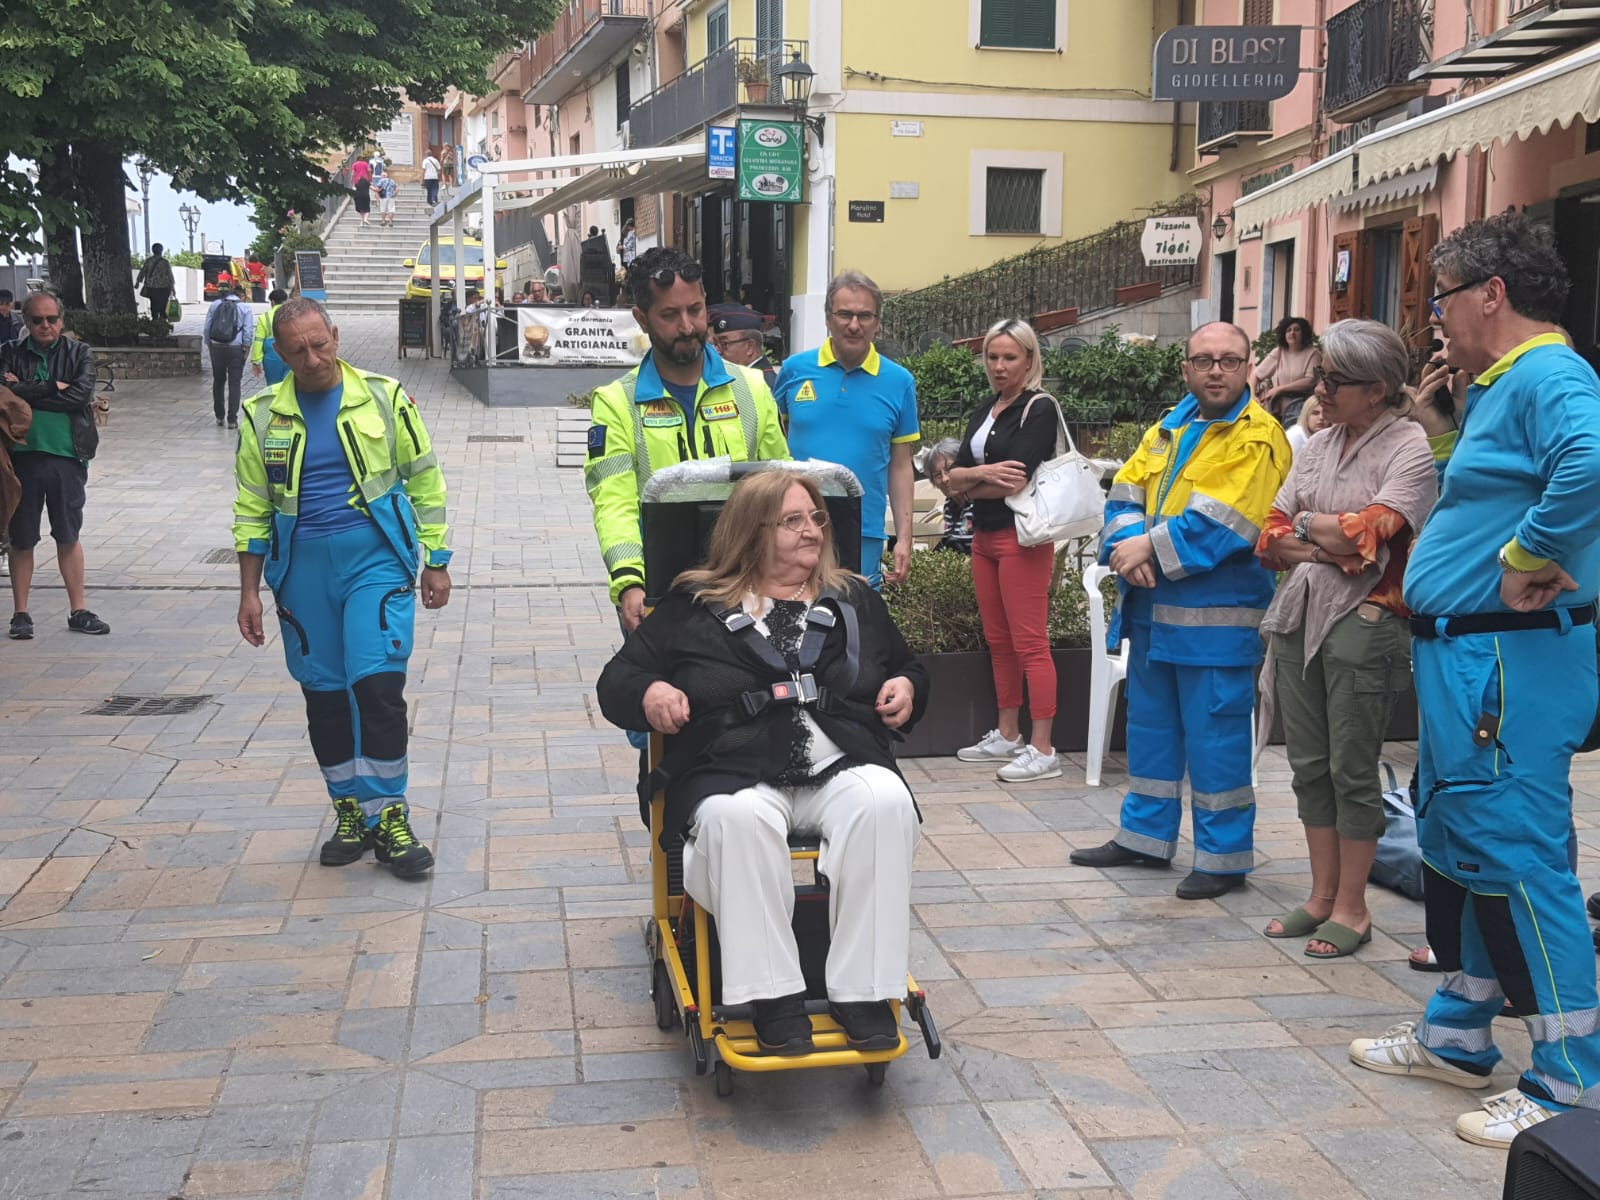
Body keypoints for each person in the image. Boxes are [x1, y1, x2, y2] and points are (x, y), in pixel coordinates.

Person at [1347, 212, 1600, 1148]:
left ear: (1491, 294)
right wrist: (1443, 421)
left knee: (1524, 861)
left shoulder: (1549, 375)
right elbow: (1496, 488)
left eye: (1442, 299)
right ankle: (1458, 1035)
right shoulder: (1503, 384)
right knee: (1465, 848)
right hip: (1471, 656)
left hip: (1507, 661)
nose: (1435, 320)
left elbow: (1591, 462)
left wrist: (1532, 550)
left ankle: (1572, 1080)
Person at [596, 469, 926, 1053]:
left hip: (839, 763)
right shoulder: (694, 607)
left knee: (885, 802)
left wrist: (905, 685)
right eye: (793, 521)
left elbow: (909, 666)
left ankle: (865, 993)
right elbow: (618, 679)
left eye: (817, 518)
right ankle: (773, 998)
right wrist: (650, 694)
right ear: (752, 533)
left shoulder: (851, 599)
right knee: (738, 821)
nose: (812, 532)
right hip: (734, 768)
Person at [1069, 322, 1291, 899]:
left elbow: (1227, 522)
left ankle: (1222, 859)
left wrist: (1146, 549)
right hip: (1153, 612)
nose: (1216, 370)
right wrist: (1126, 547)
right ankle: (1145, 838)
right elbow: (1123, 490)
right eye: (1204, 360)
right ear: (1186, 368)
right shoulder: (1170, 425)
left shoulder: (1258, 437)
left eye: (1229, 360)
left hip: (1216, 622)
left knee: (1216, 743)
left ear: (1249, 368)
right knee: (1151, 731)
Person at [232, 298, 450, 877]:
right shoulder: (260, 417)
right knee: (325, 697)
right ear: (279, 354)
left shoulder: (383, 396)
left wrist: (437, 558)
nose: (313, 358)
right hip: (300, 572)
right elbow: (252, 508)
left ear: (334, 333)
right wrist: (249, 592)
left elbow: (424, 476)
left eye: (320, 344)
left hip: (373, 561)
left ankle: (392, 817)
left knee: (377, 686)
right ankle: (349, 809)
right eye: (298, 351)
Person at [1254, 319, 1437, 958]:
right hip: (1300, 617)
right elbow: (1270, 537)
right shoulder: (1319, 443)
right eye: (1323, 375)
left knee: (1351, 770)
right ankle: (1321, 895)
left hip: (1369, 624)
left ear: (1378, 388)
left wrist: (1316, 533)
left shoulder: (1409, 447)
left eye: (1335, 380)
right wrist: (1320, 533)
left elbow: (1374, 534)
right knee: (1309, 767)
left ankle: (1354, 908)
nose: (1318, 388)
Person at [585, 246, 790, 635]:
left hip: (747, 582)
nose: (687, 326)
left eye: (695, 310)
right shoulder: (615, 404)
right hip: (663, 590)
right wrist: (629, 581)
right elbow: (614, 502)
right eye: (669, 315)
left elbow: (781, 487)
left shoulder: (752, 389)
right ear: (641, 319)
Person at [941, 319, 1067, 782]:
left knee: (1030, 642)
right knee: (999, 641)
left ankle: (1044, 747)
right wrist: (975, 477)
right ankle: (1009, 733)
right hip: (985, 537)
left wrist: (968, 480)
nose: (999, 366)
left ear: (1030, 360)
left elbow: (1016, 479)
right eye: (992, 357)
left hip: (1024, 537)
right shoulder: (986, 408)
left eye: (1010, 357)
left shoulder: (1040, 407)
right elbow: (950, 474)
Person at [775, 270, 919, 586]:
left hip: (863, 530)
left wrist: (904, 538)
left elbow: (900, 466)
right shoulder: (794, 371)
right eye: (844, 314)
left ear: (877, 323)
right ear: (828, 318)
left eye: (864, 316)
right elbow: (775, 443)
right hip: (796, 526)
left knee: (856, 624)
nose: (854, 325)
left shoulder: (900, 383)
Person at [1, 291, 109, 641]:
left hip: (68, 455)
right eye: (37, 320)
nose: (45, 326)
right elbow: (5, 394)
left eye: (52, 319)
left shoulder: (80, 353)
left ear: (62, 321)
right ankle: (21, 614)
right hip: (22, 457)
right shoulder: (9, 353)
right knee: (22, 537)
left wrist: (27, 390)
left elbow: (79, 396)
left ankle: (79, 609)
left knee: (68, 533)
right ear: (25, 321)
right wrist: (52, 386)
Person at [1255, 316, 1321, 426]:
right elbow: (1256, 375)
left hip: (1300, 410)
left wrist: (1280, 389)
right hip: (1275, 409)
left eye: (1297, 329)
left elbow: (1310, 381)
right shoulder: (1278, 352)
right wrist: (1253, 394)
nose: (1292, 333)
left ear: (1303, 333)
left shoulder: (1313, 354)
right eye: (1288, 330)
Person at [204, 283, 253, 429]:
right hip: (235, 348)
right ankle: (232, 419)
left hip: (217, 347)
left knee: (218, 381)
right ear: (242, 296)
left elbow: (207, 326)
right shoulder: (245, 308)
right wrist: (247, 347)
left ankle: (219, 416)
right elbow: (248, 330)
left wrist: (209, 343)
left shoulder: (215, 305)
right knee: (235, 383)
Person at [921, 438, 974, 555]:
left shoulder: (979, 502)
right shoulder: (950, 504)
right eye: (937, 475)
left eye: (949, 469)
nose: (945, 479)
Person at [711, 305, 777, 387]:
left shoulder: (765, 384)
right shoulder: (738, 377)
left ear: (750, 347)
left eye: (724, 344)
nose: (717, 351)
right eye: (715, 344)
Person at [250, 288, 290, 386]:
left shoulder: (265, 317)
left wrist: (256, 361)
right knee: (289, 386)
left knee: (273, 386)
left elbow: (259, 340)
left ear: (272, 302)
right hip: (291, 354)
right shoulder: (292, 315)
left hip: (272, 357)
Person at [135, 244, 175, 324]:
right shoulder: (165, 262)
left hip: (152, 287)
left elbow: (143, 271)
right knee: (163, 304)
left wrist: (138, 282)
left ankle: (155, 320)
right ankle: (163, 320)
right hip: (164, 287)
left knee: (154, 303)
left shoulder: (148, 261)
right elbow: (170, 275)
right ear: (161, 250)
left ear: (153, 250)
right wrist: (173, 287)